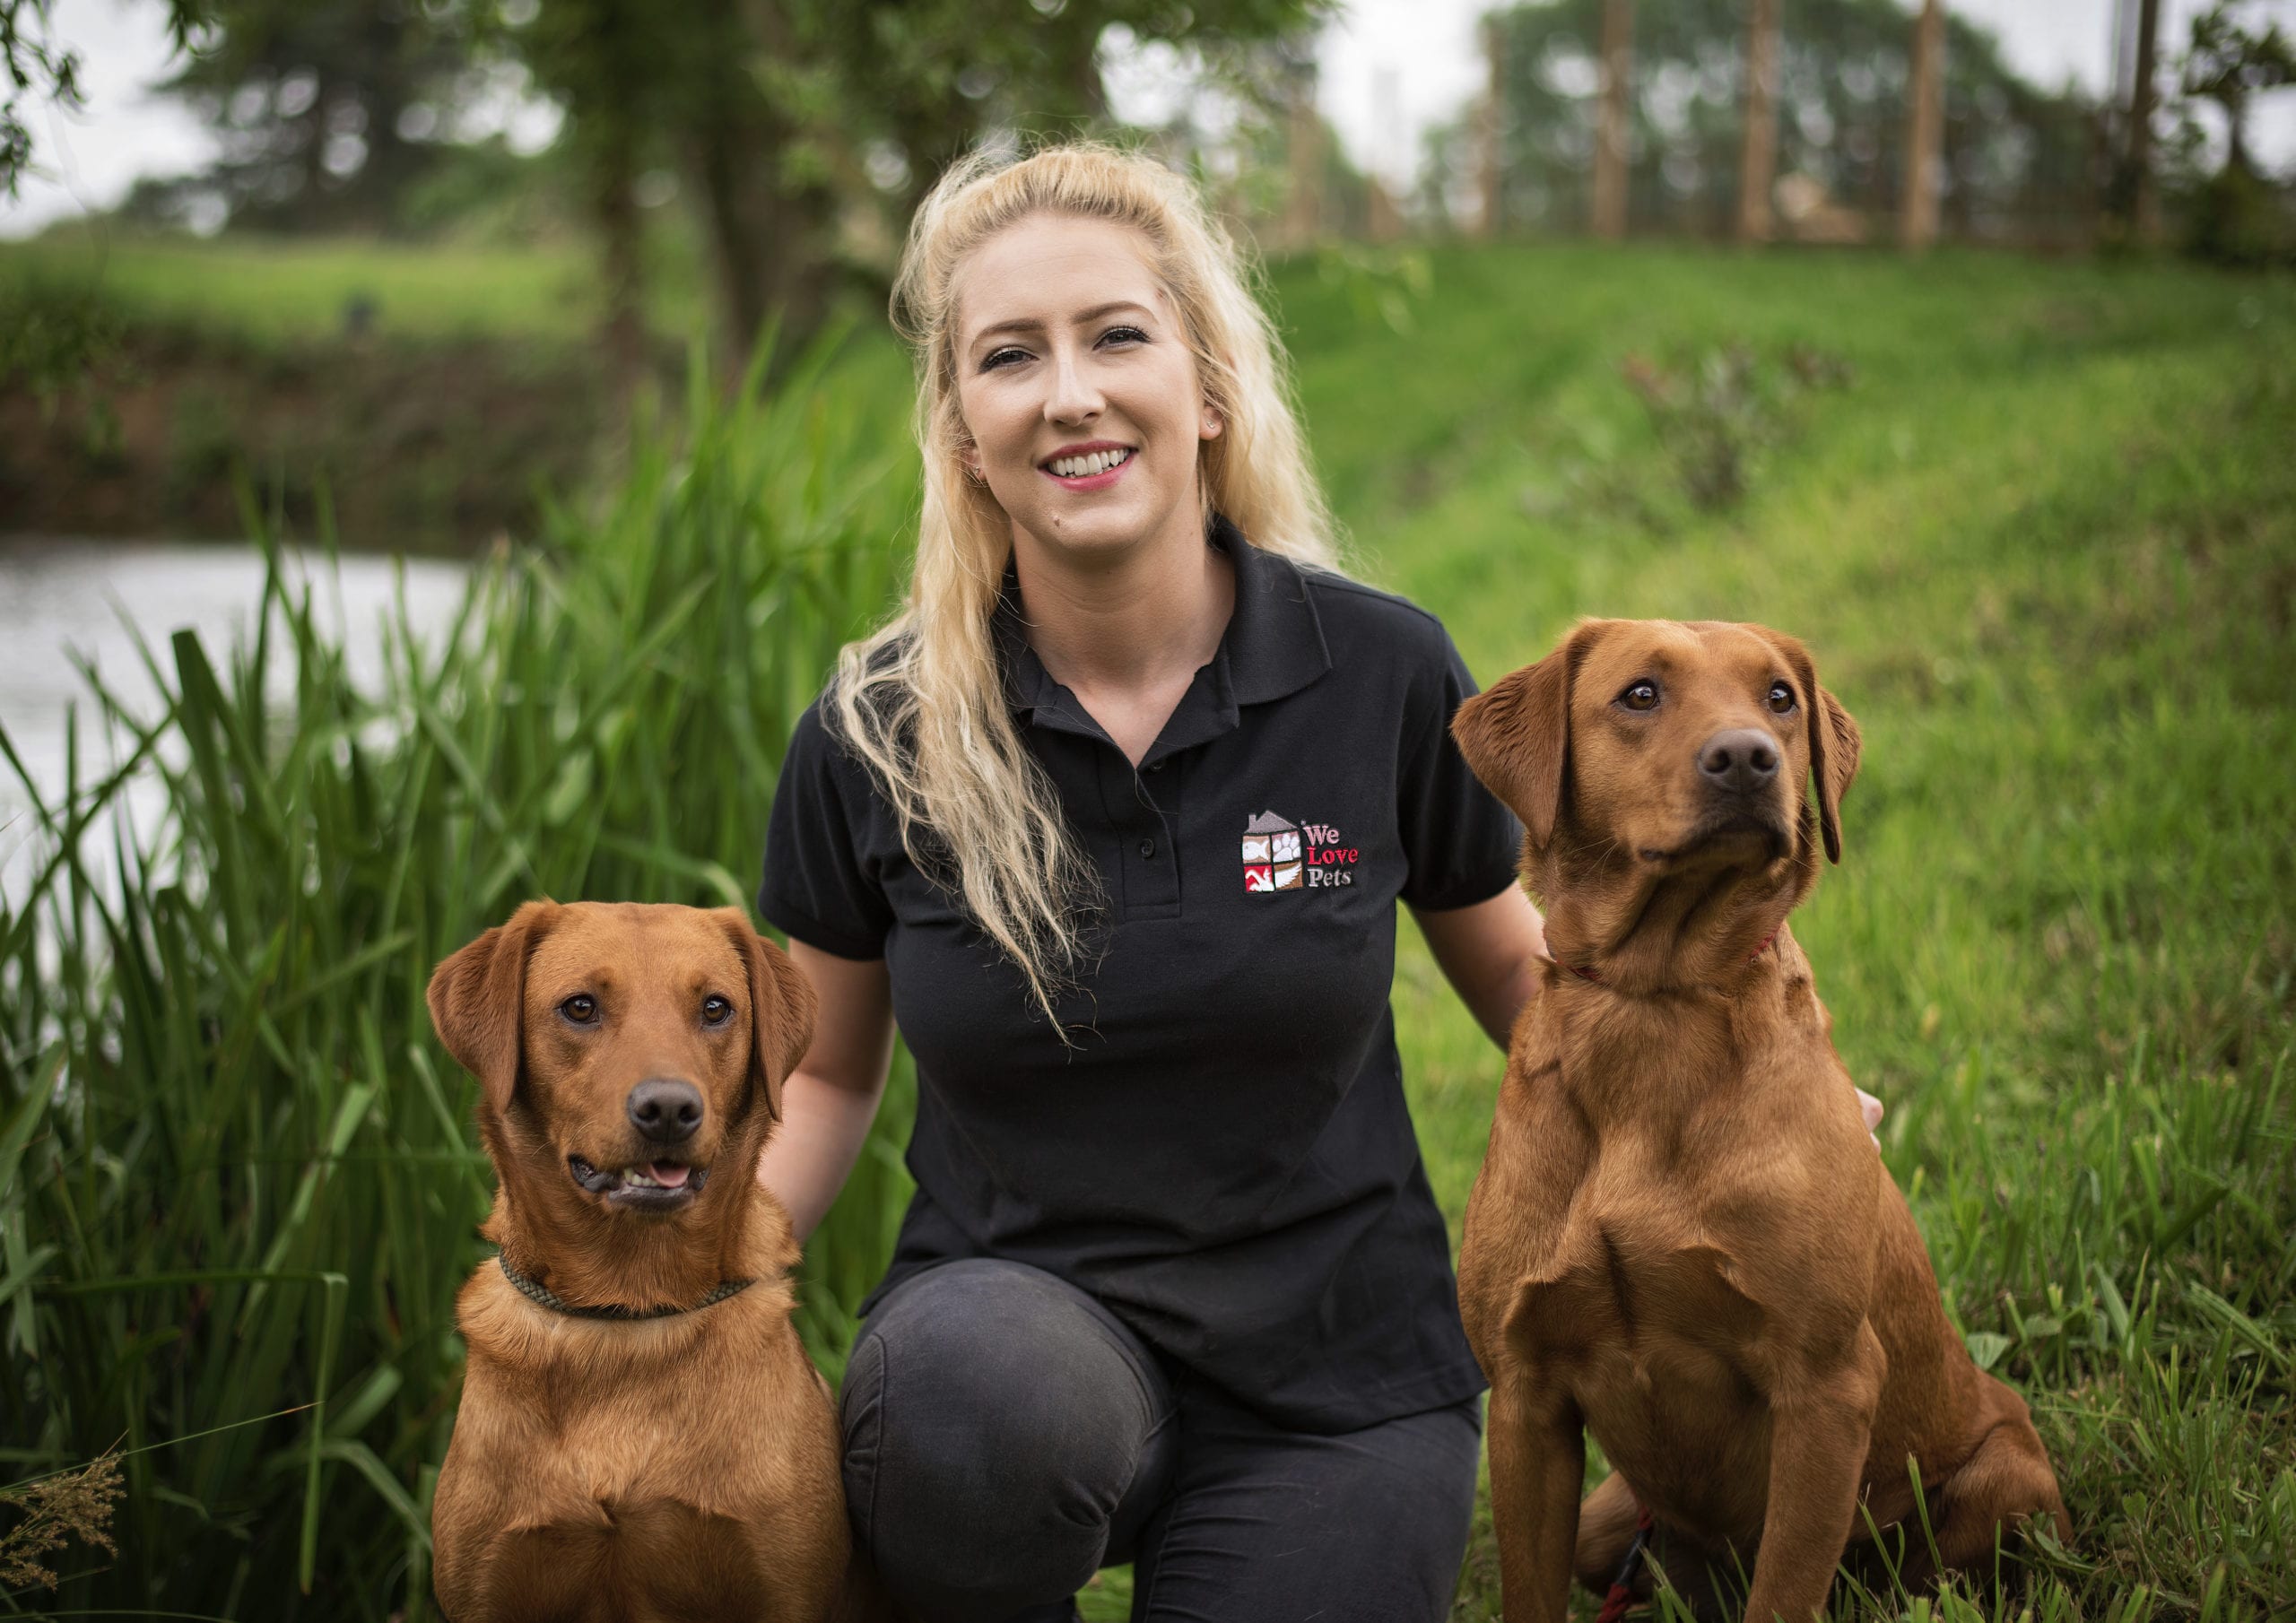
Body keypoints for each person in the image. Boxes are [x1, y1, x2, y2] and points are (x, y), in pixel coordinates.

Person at [754, 143, 1873, 1622]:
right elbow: (827, 1077)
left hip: (1337, 1379)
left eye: (1118, 336)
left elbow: (1521, 967)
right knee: (973, 1417)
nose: (1070, 391)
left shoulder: (1382, 672)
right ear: (965, 432)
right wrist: (697, 1294)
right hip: (1016, 1331)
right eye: (1010, 356)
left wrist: (1765, 1096)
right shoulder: (875, 733)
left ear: (1208, 391)